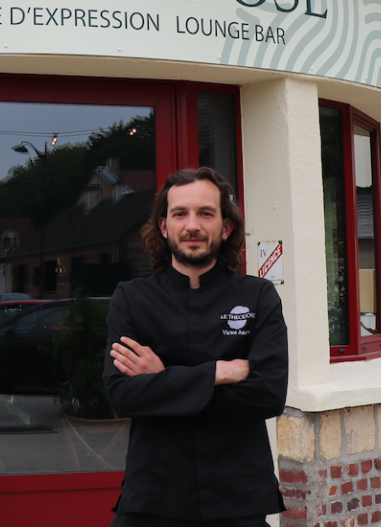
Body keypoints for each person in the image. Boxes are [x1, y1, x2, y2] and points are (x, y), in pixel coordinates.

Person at [103, 166, 288, 527]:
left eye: (206, 213)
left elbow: (268, 395)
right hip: (153, 496)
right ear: (163, 226)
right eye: (180, 214)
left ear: (226, 226)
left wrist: (163, 380)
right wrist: (220, 372)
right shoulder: (131, 298)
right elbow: (123, 395)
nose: (192, 226)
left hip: (238, 496)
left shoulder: (258, 295)